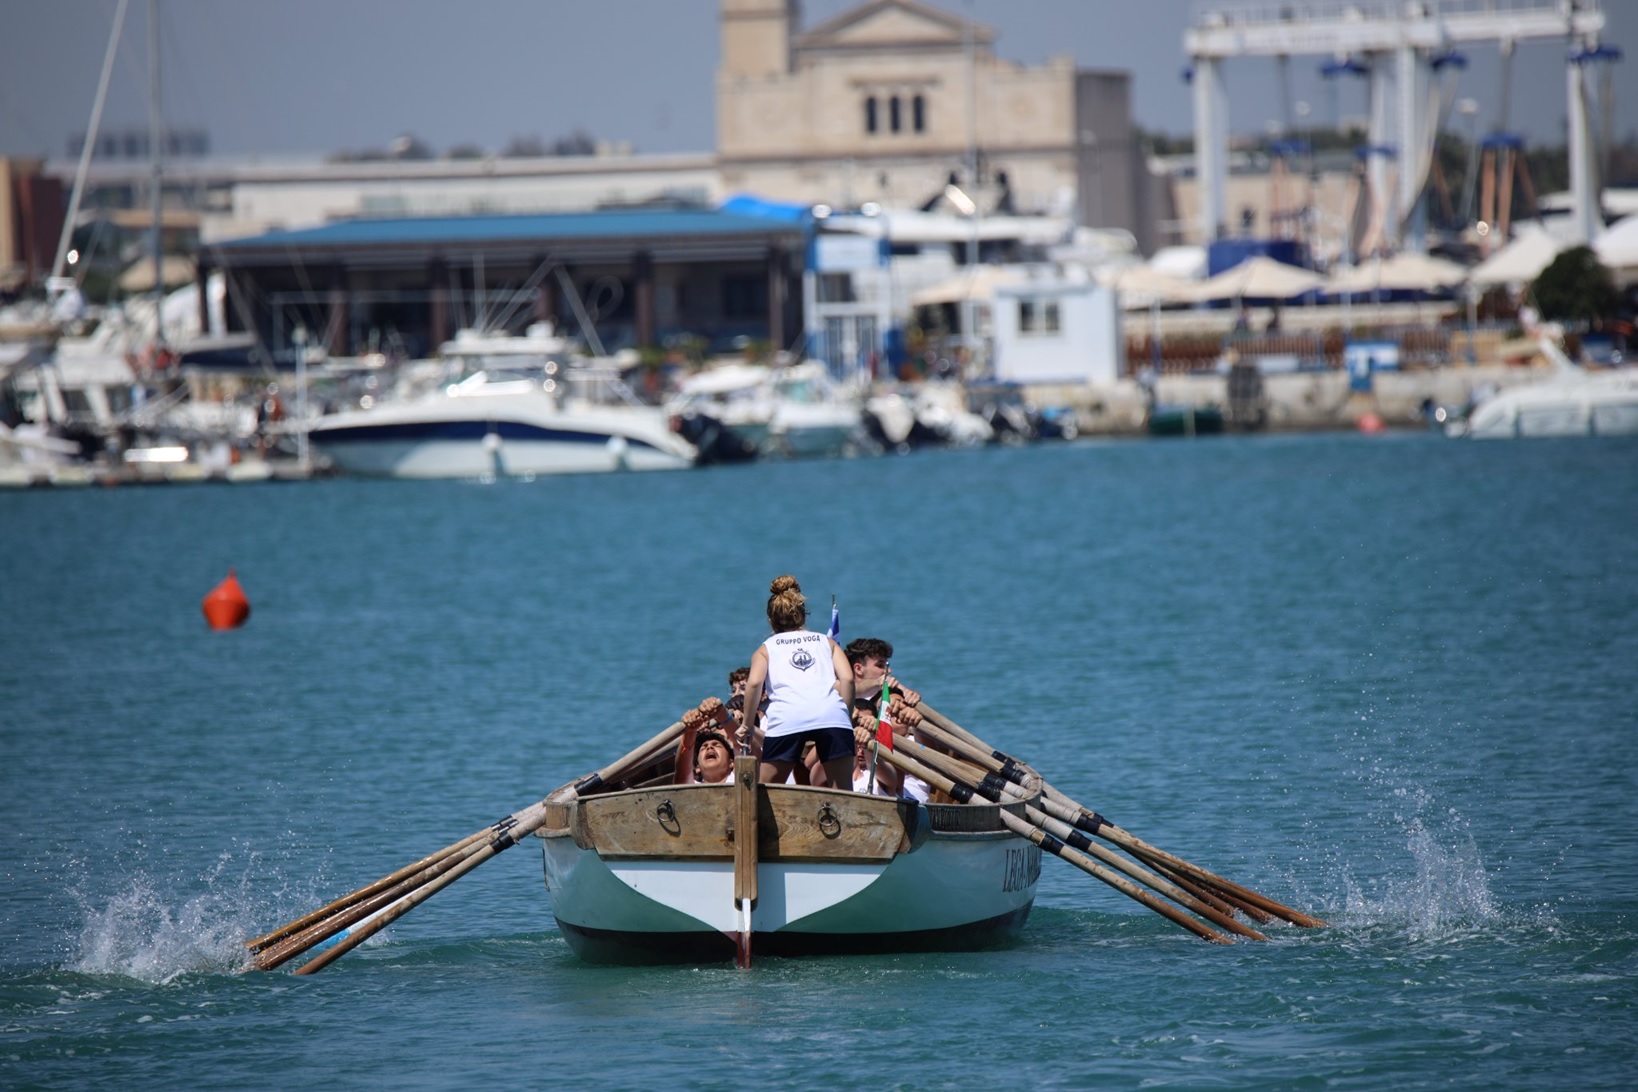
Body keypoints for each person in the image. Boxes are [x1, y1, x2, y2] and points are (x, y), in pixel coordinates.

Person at [742, 575, 854, 787]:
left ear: (770, 619)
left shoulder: (766, 648)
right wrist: (845, 717)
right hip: (832, 715)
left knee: (766, 792)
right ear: (804, 616)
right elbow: (847, 679)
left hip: (787, 718)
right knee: (845, 795)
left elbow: (755, 684)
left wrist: (747, 726)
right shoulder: (826, 642)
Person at [843, 637, 928, 800]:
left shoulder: (891, 697)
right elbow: (854, 690)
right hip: (857, 771)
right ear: (858, 669)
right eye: (880, 665)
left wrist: (904, 694)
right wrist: (879, 683)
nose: (887, 671)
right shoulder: (844, 698)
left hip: (892, 777)